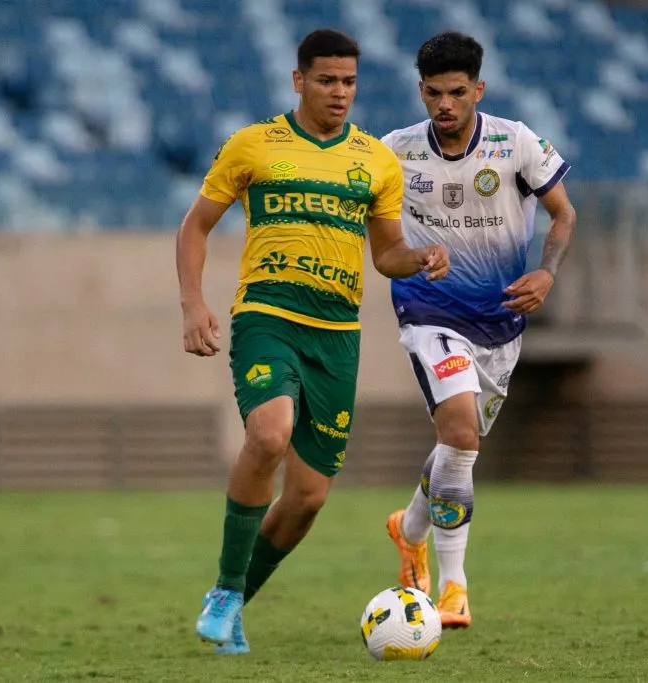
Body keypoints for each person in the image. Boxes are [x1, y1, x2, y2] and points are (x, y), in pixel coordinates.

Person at [176, 28, 450, 655]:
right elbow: (195, 225)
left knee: (307, 498)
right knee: (269, 434)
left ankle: (234, 602)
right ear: (299, 81)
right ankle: (225, 590)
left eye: (349, 82)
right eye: (326, 80)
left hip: (337, 335)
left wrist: (420, 258)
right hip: (268, 315)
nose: (339, 92)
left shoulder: (375, 161)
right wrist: (193, 304)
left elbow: (386, 254)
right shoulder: (253, 145)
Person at [380, 31, 577, 629]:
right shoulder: (394, 152)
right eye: (434, 93)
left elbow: (563, 213)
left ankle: (409, 529)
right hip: (430, 315)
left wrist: (547, 272)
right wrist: (415, 258)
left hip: (500, 324)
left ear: (478, 90)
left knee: (458, 447)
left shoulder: (515, 142)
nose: (445, 104)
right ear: (421, 90)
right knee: (462, 434)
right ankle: (454, 590)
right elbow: (381, 243)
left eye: (457, 93)